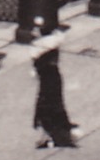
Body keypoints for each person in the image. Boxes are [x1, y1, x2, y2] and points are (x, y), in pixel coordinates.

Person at [26, 19, 76, 148]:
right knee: (54, 105)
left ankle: (51, 136)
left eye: (36, 29)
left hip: (47, 80)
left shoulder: (38, 47)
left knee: (46, 107)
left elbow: (35, 65)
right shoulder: (53, 41)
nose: (33, 31)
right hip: (54, 78)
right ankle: (58, 133)